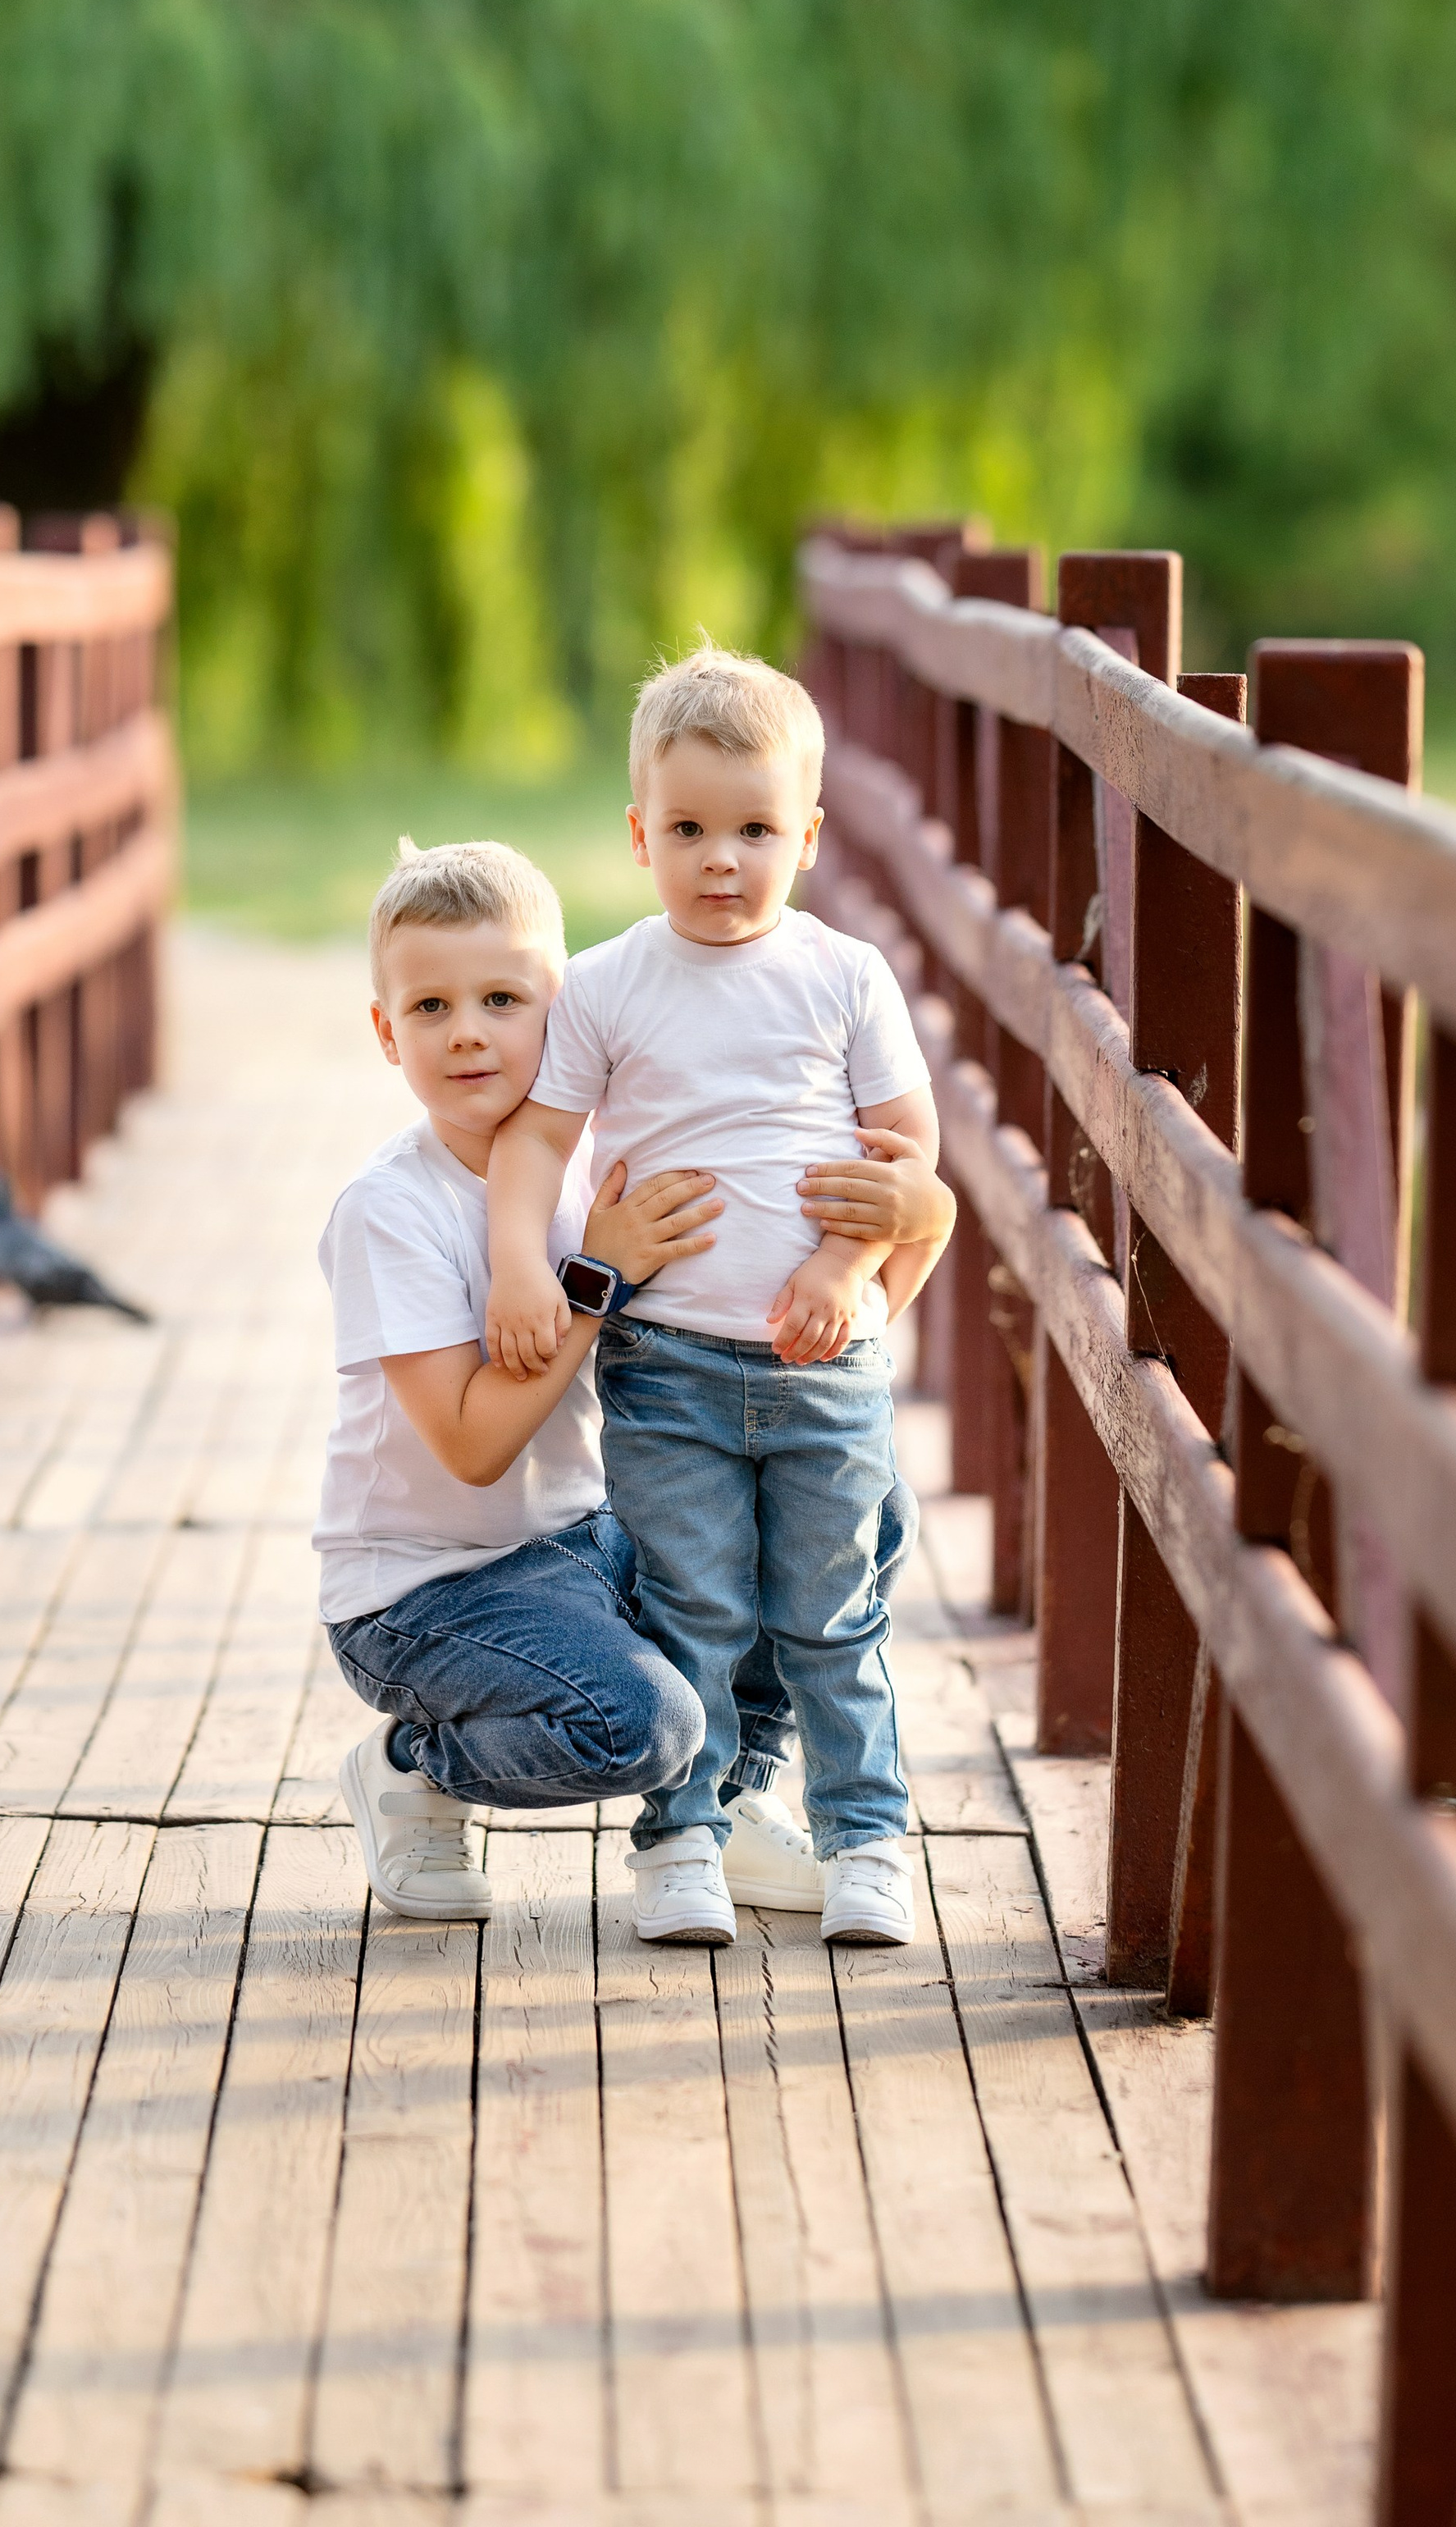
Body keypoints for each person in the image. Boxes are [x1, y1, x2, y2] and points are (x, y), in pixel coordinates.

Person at [321, 834, 944, 1926]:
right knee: (634, 1723)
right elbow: (472, 1445)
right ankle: (412, 1770)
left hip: (576, 1540)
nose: (467, 1032)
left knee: (856, 1508)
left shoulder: (589, 1175)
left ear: (563, 1009)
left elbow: (797, 1300)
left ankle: (727, 1800)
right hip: (428, 1589)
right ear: (387, 1033)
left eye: (503, 999)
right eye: (429, 1010)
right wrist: (598, 1279)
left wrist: (918, 1217)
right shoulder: (393, 1212)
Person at [485, 647, 951, 1952]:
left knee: (831, 1616)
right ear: (641, 834)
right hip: (668, 1363)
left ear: (806, 835)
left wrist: (843, 1268)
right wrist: (531, 1262)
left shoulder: (844, 976)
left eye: (754, 830)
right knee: (693, 1607)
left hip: (822, 1368)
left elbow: (905, 1161)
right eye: (688, 829)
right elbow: (535, 1141)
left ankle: (866, 1839)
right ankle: (681, 1839)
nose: (721, 859)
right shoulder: (611, 982)